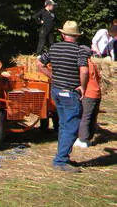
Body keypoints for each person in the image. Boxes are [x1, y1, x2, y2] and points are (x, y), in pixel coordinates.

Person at [37, 20, 89, 173]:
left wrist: (52, 76)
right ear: (76, 36)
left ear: (63, 34)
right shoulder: (80, 50)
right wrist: (83, 88)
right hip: (70, 92)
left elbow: (39, 64)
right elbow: (84, 71)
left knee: (64, 125)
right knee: (71, 126)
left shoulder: (54, 47)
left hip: (56, 91)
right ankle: (60, 160)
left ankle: (63, 157)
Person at [75, 45, 101, 148]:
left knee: (84, 116)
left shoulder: (84, 65)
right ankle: (89, 137)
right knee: (92, 116)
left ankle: (82, 140)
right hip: (97, 93)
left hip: (88, 93)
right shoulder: (93, 63)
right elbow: (98, 77)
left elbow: (82, 75)